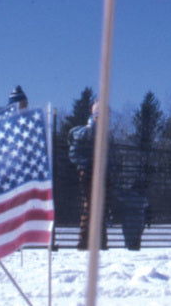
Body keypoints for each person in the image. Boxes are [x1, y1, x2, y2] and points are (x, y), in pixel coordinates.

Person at [68, 102, 108, 249]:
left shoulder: (104, 134)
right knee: (90, 206)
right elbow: (74, 153)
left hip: (102, 173)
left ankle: (100, 241)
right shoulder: (85, 132)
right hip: (89, 173)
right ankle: (84, 241)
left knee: (101, 207)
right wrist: (89, 164)